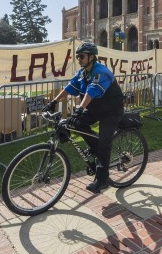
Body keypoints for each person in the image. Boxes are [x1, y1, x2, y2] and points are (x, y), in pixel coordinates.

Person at [42, 42, 124, 193]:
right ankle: (95, 146)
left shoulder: (101, 72)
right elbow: (69, 87)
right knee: (76, 123)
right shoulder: (82, 73)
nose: (79, 59)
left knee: (105, 145)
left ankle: (102, 180)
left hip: (111, 111)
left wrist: (80, 108)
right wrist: (53, 102)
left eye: (82, 56)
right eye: (78, 56)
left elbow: (92, 91)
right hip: (96, 109)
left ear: (92, 57)